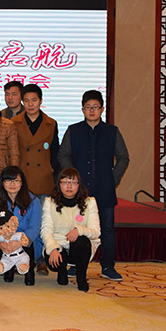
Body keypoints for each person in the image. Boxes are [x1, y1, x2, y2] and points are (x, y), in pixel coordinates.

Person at [57, 90, 129, 282]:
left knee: (107, 229)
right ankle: (75, 264)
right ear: (82, 109)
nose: (91, 111)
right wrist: (72, 178)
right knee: (76, 227)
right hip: (79, 191)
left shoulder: (112, 132)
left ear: (102, 109)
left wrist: (113, 179)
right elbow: (63, 155)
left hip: (105, 189)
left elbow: (123, 157)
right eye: (87, 107)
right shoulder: (74, 130)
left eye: (95, 107)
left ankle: (108, 266)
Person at [12, 83, 59, 275]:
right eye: (27, 100)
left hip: (43, 179)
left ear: (40, 101)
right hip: (22, 180)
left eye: (34, 100)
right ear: (22, 102)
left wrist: (54, 175)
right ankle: (19, 257)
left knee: (42, 222)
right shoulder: (14, 122)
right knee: (20, 221)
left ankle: (40, 259)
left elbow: (54, 153)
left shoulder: (51, 123)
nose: (30, 104)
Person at [41, 168, 101, 292]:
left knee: (82, 240)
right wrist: (52, 248)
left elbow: (96, 232)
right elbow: (46, 230)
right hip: (58, 243)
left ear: (79, 185)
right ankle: (61, 270)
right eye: (65, 182)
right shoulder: (49, 202)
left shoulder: (90, 202)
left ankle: (81, 276)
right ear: (59, 184)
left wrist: (79, 230)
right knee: (55, 259)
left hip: (79, 247)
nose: (69, 186)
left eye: (73, 182)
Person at [0, 165, 41, 286]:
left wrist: (19, 242)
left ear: (22, 183)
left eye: (16, 181)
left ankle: (29, 271)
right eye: (8, 181)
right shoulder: (0, 201)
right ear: (3, 183)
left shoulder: (33, 201)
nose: (12, 184)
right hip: (6, 241)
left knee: (26, 241)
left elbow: (34, 227)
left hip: (27, 241)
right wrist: (0, 244)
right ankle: (8, 269)